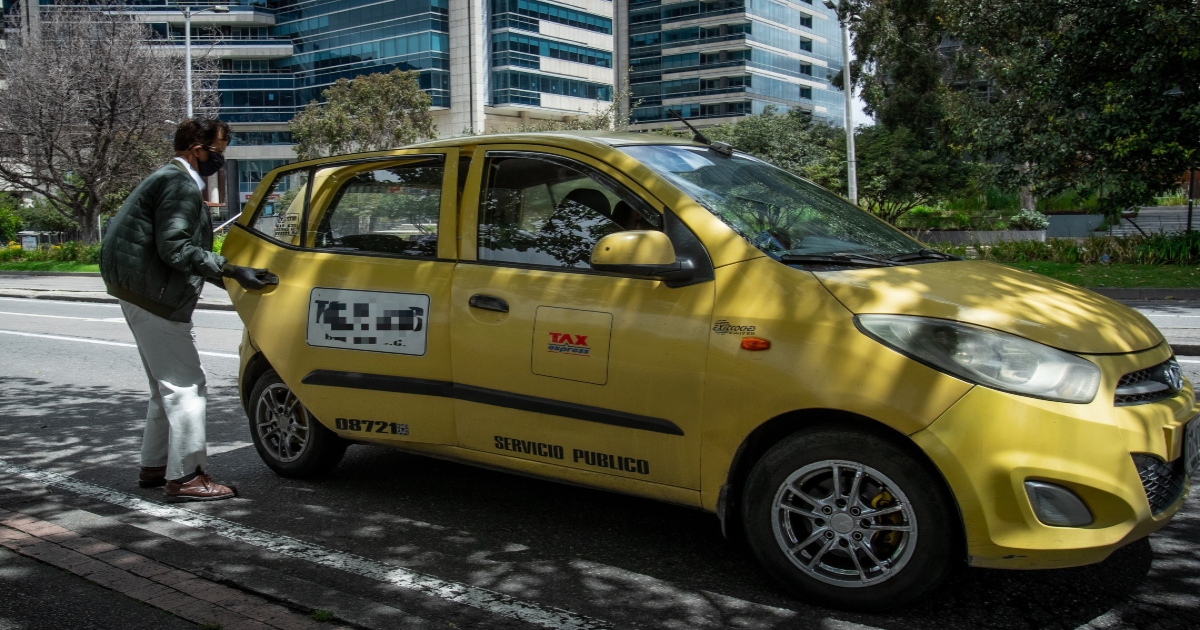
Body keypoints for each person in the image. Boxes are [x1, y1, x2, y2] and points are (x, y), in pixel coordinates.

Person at [100, 118, 276, 502]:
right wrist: (231, 270)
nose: (221, 159)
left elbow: (173, 247)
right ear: (198, 150)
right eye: (219, 151)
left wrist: (229, 278)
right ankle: (186, 477)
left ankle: (156, 466)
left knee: (164, 388)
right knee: (187, 387)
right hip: (154, 295)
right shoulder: (179, 184)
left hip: (138, 290)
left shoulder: (166, 178)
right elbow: (175, 247)